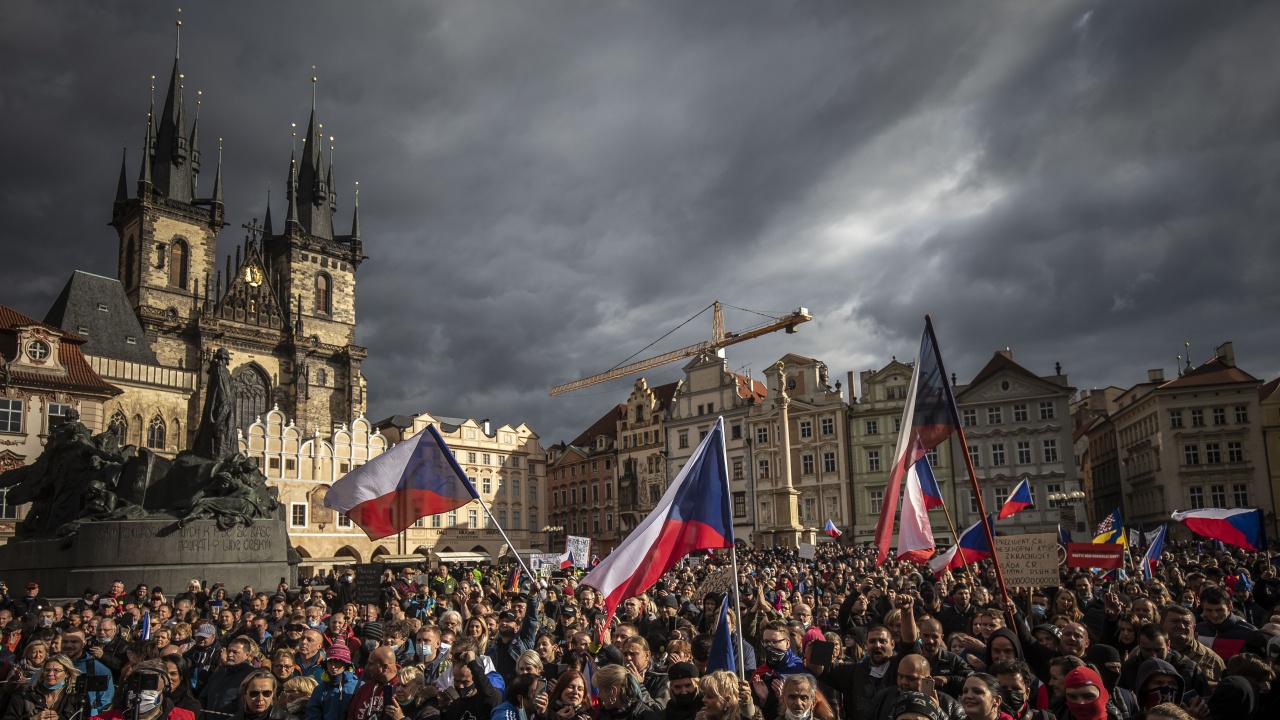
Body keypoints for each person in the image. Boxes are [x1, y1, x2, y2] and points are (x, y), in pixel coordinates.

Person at [98, 659, 197, 720]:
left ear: (166, 687)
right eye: (140, 682)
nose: (144, 689)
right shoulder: (100, 719)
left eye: (151, 682)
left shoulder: (185, 717)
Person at [2, 654, 80, 720]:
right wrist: (32, 719)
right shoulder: (24, 696)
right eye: (47, 670)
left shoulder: (76, 698)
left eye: (56, 670)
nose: (50, 674)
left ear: (67, 673)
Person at [201, 637, 260, 717]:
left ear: (247, 655)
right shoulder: (219, 673)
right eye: (229, 651)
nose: (230, 655)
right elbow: (203, 697)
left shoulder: (252, 675)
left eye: (235, 652)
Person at [62, 629, 115, 713]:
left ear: (84, 643)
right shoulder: (50, 665)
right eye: (65, 641)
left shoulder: (98, 669)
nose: (68, 645)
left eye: (74, 642)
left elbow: (105, 702)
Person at [444, 647, 501, 720]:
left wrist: (472, 663)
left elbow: (487, 692)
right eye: (457, 681)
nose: (460, 686)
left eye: (466, 682)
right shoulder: (454, 707)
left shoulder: (491, 698)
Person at [305, 643, 358, 720]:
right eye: (330, 662)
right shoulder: (320, 690)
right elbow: (312, 716)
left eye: (337, 661)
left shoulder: (359, 687)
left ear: (346, 664)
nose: (333, 666)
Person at [348, 647, 400, 720]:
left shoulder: (402, 688)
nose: (367, 667)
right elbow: (351, 714)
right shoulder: (365, 688)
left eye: (371, 664)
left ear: (385, 667)